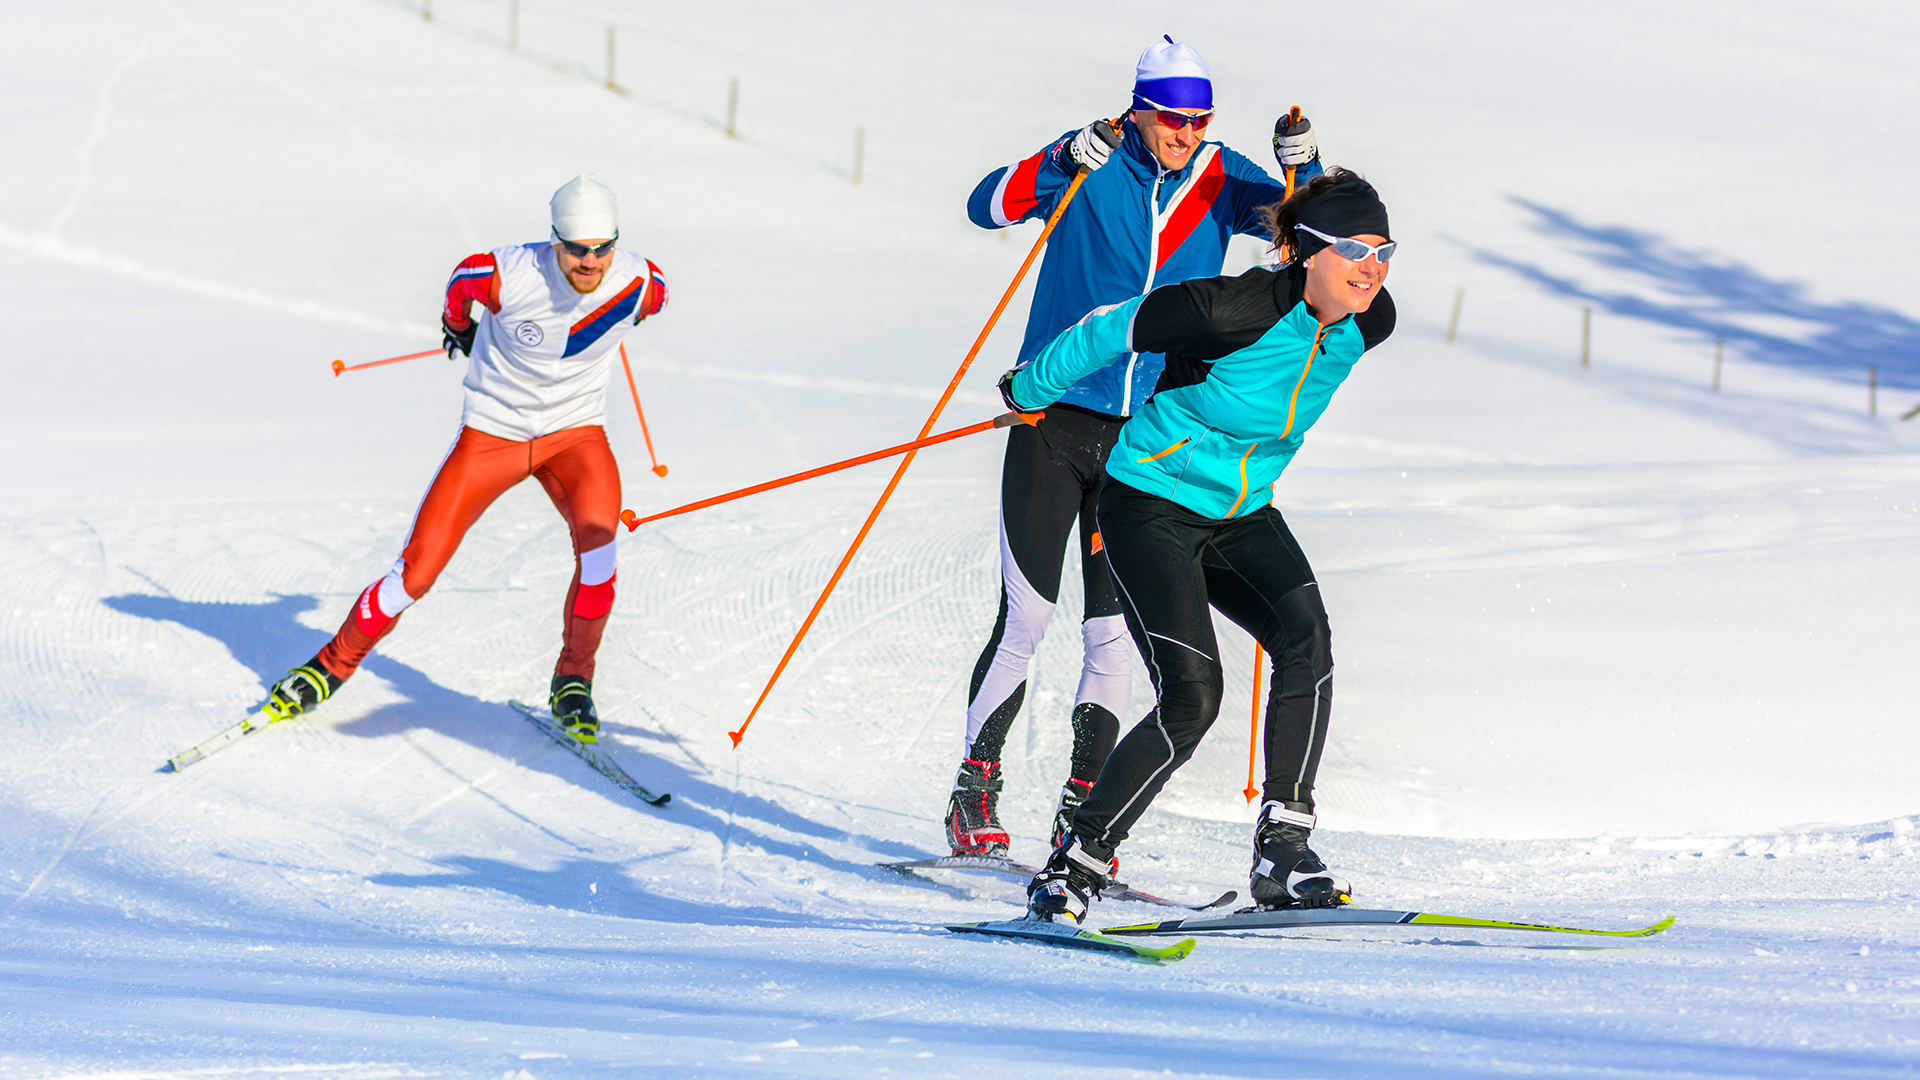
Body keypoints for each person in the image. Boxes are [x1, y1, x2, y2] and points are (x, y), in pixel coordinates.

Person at [946, 35, 1325, 858]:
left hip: (1147, 435)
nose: (1187, 133)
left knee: (1110, 632)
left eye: (1200, 119)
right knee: (1028, 614)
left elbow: (1303, 238)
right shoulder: (1093, 163)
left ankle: (1079, 812)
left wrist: (1304, 167)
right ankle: (975, 787)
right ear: (1139, 110)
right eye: (1172, 119)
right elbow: (985, 205)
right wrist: (1057, 159)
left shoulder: (1222, 177)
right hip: (1056, 422)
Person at [997, 169, 1396, 923]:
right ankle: (1075, 863)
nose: (1371, 267)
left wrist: (1311, 175)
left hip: (1240, 511)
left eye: (1383, 251)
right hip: (1149, 503)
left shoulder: (1366, 321)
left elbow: (1324, 230)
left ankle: (1284, 846)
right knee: (1192, 699)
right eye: (1353, 249)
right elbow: (1111, 328)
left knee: (1306, 642)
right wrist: (1030, 388)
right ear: (1307, 252)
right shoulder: (1228, 309)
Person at [259, 175, 669, 743]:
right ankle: (330, 664)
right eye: (577, 248)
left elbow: (652, 300)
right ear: (555, 241)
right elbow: (462, 282)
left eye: (603, 248)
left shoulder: (642, 281)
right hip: (492, 435)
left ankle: (574, 680)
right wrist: (459, 327)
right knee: (416, 573)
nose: (591, 262)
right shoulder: (506, 273)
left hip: (576, 437)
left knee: (601, 560)